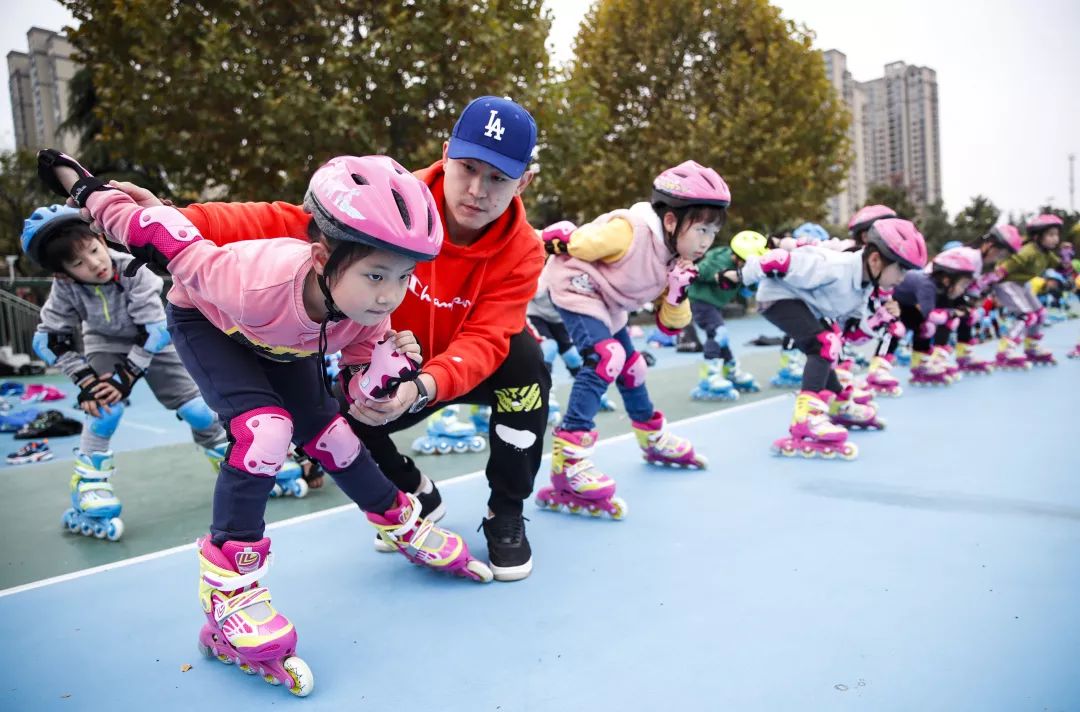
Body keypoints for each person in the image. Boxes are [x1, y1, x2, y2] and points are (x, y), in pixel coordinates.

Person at [40, 149, 495, 697]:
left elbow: (355, 396)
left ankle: (399, 520)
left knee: (335, 437)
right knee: (265, 432)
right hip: (210, 322)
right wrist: (88, 190)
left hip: (286, 342)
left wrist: (385, 376)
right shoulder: (248, 279)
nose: (389, 295)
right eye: (376, 274)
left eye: (403, 277)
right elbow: (158, 234)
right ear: (323, 258)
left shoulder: (365, 314)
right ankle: (228, 590)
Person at [79, 97, 549, 581]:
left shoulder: (524, 251)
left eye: (498, 178)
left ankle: (505, 511)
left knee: (526, 365)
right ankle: (410, 493)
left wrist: (422, 387)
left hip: (445, 372)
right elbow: (284, 221)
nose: (477, 190)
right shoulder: (392, 200)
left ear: (524, 182)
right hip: (385, 356)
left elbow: (487, 338)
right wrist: (175, 218)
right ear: (447, 154)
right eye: (468, 168)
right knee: (326, 424)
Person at [21, 204, 228, 541]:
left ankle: (229, 457)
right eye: (78, 263)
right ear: (63, 274)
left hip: (154, 345)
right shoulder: (66, 289)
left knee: (198, 411)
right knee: (105, 409)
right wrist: (86, 381)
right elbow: (49, 339)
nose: (94, 264)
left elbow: (154, 332)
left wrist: (125, 376)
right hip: (105, 343)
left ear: (102, 240)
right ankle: (88, 484)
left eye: (93, 250)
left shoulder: (134, 270)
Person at [533, 160, 720, 519]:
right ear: (671, 220)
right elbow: (578, 244)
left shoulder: (677, 261)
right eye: (701, 230)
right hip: (575, 286)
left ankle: (652, 438)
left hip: (610, 302)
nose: (706, 242)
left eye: (713, 232)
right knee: (607, 357)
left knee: (632, 367)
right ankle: (568, 461)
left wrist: (677, 292)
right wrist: (555, 237)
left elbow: (670, 328)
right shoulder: (629, 232)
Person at [741, 218, 928, 459]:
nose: (903, 278)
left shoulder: (864, 288)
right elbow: (777, 260)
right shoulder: (834, 266)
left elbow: (851, 335)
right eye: (901, 269)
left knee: (831, 344)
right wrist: (739, 275)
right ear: (875, 260)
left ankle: (838, 404)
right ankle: (805, 419)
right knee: (824, 343)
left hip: (809, 306)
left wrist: (879, 319)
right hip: (776, 297)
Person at [974, 214, 1064, 368]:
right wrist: (998, 274)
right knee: (1026, 316)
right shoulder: (1030, 250)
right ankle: (1005, 351)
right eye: (1051, 235)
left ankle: (1031, 347)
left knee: (1040, 314)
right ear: (1036, 236)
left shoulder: (1046, 254)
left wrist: (1068, 268)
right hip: (1006, 283)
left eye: (1056, 234)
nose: (1055, 239)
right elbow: (1013, 261)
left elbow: (1061, 266)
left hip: (1022, 284)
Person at [689, 229, 765, 401]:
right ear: (739, 258)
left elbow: (748, 287)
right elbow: (699, 271)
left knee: (721, 339)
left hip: (715, 304)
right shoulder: (720, 260)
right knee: (718, 333)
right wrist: (718, 275)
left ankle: (730, 371)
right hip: (701, 301)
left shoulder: (743, 268)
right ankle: (709, 377)